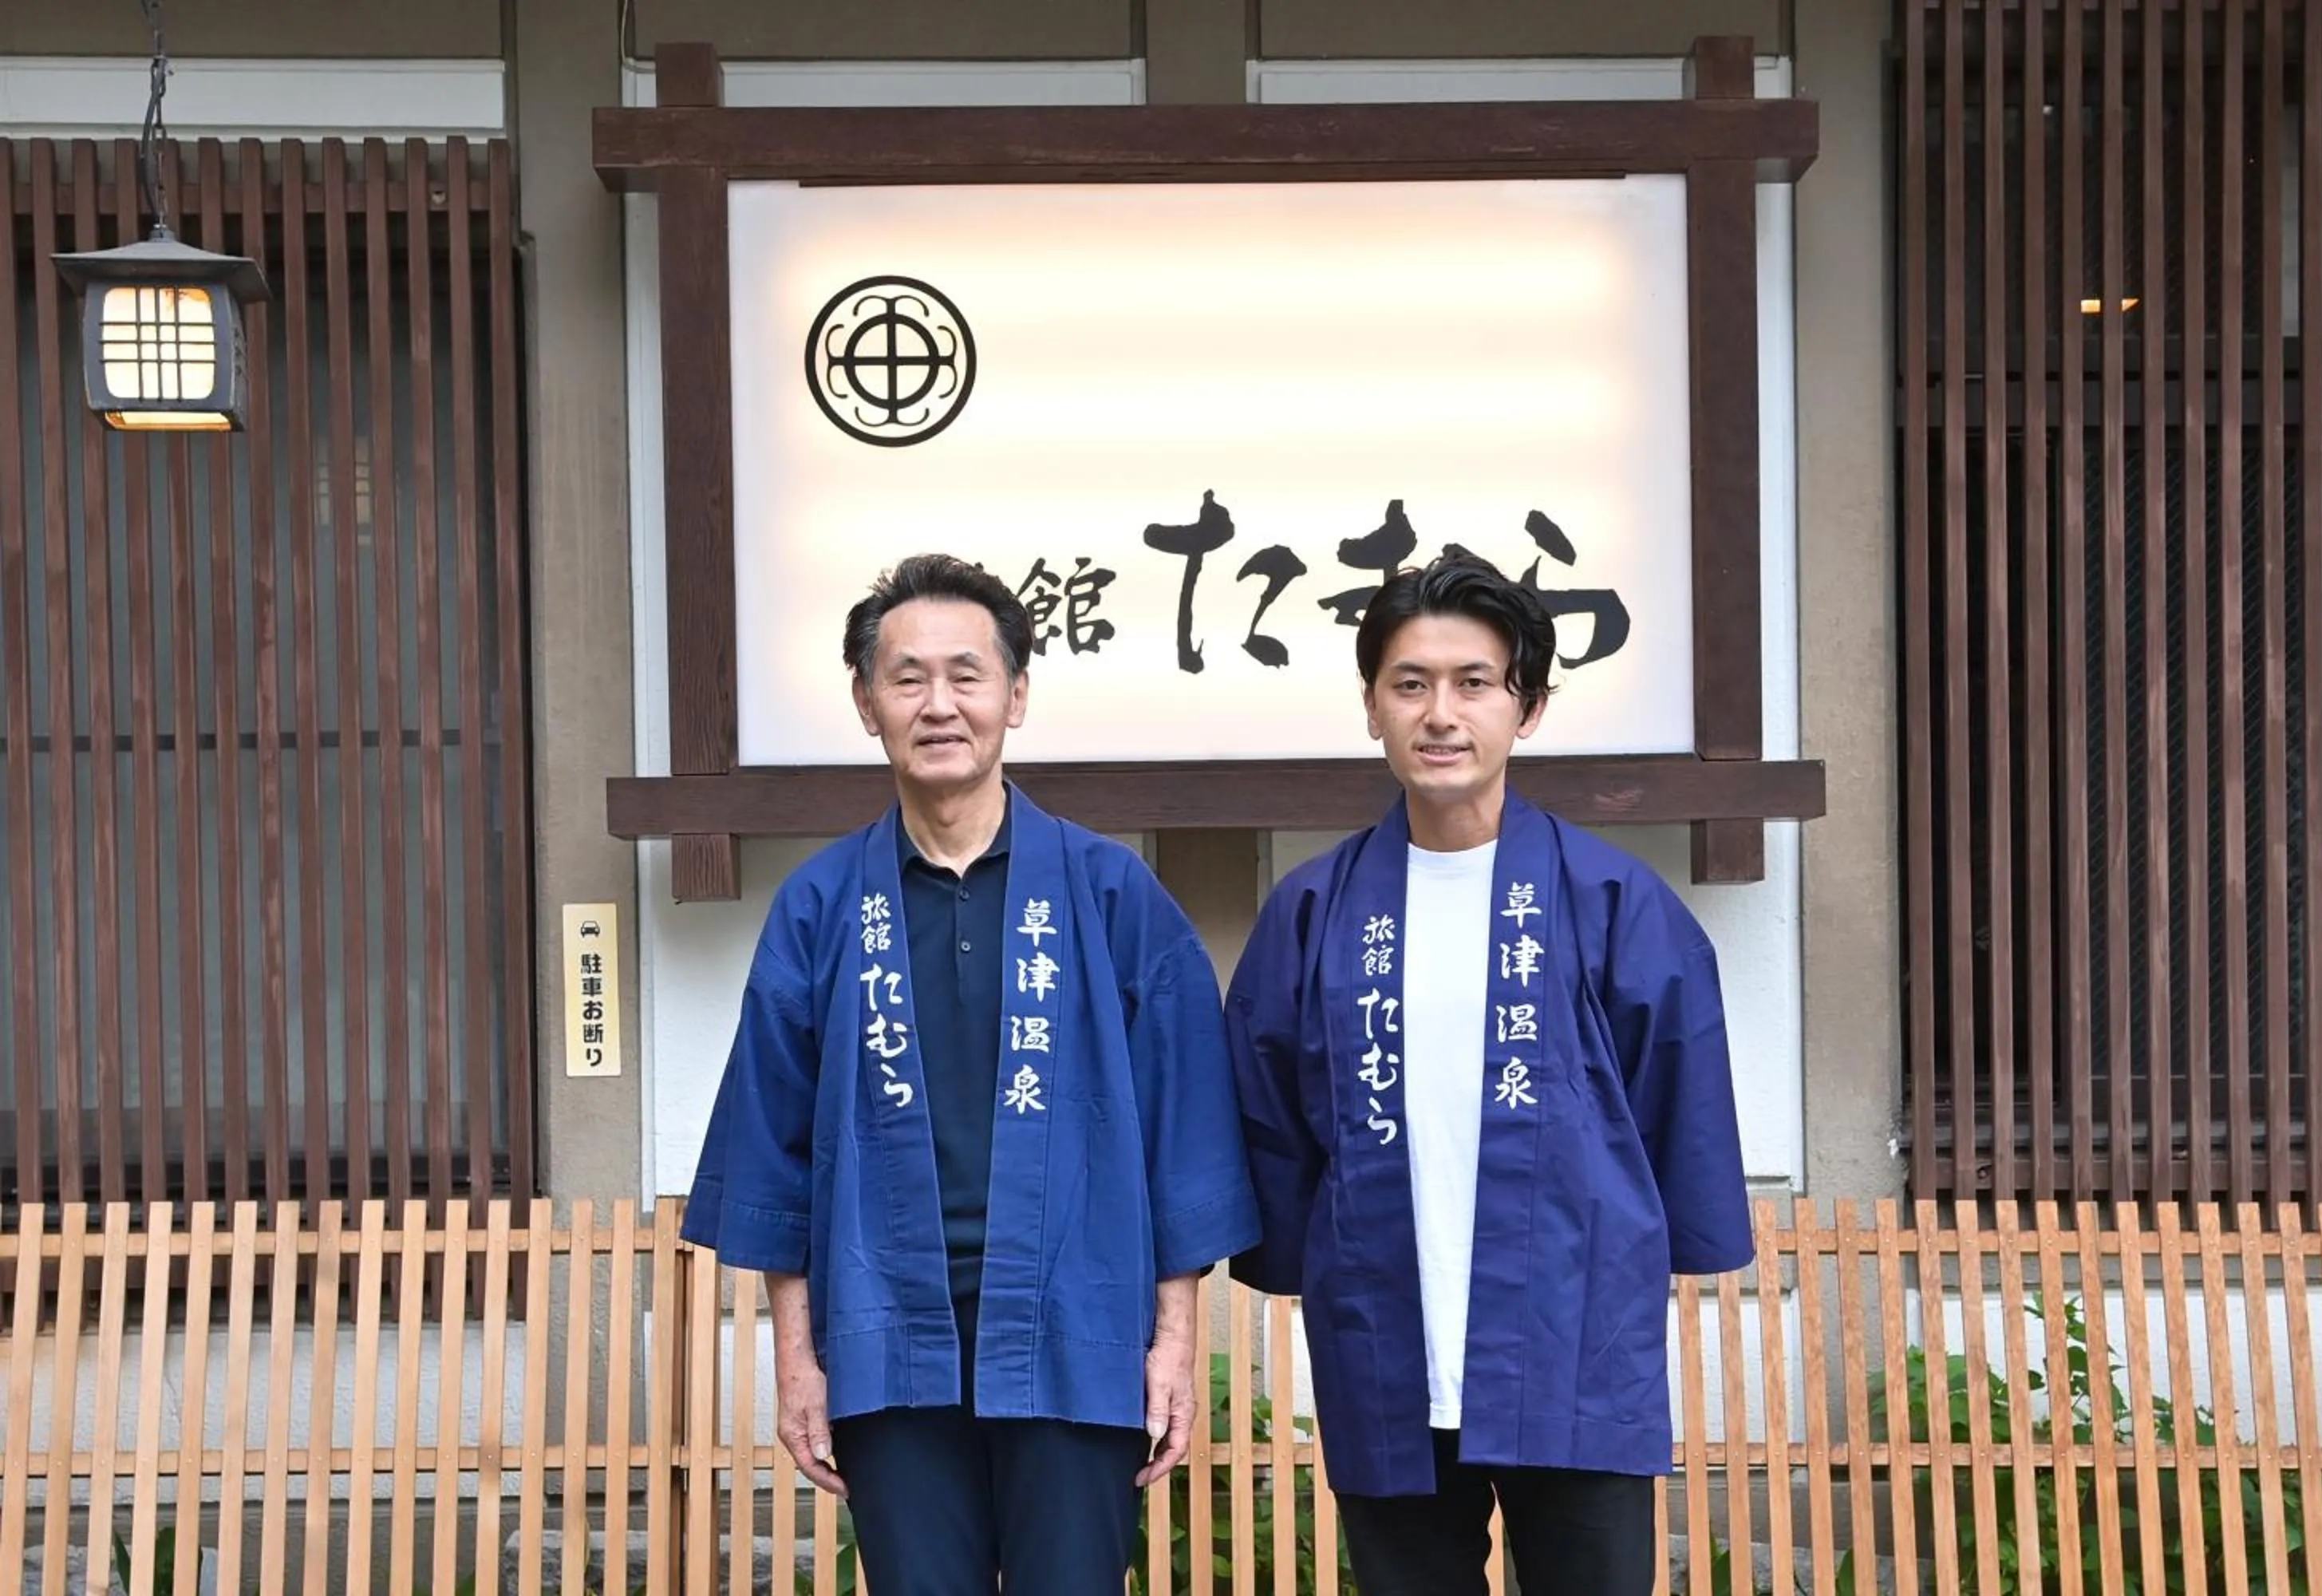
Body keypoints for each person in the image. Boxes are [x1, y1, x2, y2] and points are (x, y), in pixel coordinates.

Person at [681, 552, 1262, 1596]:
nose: (939, 704)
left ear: (1017, 695)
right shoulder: (819, 910)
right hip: (890, 1344)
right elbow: (775, 1149)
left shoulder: (1110, 894)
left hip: (1076, 1338)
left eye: (968, 674)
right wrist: (798, 1358)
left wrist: (1173, 1344)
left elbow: (1188, 1138)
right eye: (907, 678)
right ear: (867, 704)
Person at [1223, 551, 1754, 1594]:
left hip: (1571, 1335)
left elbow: (1670, 1098)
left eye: (1475, 683)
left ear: (1530, 707)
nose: (1441, 713)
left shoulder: (1613, 901)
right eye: (1410, 683)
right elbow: (1274, 1112)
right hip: (1388, 1338)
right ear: (1372, 707)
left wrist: (1655, 1245)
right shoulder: (1316, 911)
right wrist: (1299, 1255)